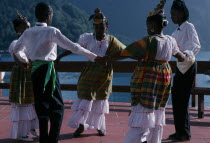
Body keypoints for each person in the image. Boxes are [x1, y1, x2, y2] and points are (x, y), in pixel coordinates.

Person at [13, 2, 103, 143]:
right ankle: (52, 140)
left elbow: (16, 50)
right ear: (48, 15)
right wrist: (94, 57)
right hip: (47, 71)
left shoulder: (28, 32)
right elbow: (74, 47)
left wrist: (25, 61)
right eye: (52, 15)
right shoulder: (51, 31)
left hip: (35, 71)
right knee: (58, 107)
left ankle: (44, 139)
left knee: (41, 106)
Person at [105, 0, 187, 142]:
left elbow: (125, 52)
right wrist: (188, 56)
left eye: (147, 26)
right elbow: (181, 57)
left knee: (143, 113)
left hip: (149, 78)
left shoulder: (149, 41)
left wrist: (106, 58)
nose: (147, 28)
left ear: (153, 26)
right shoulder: (170, 41)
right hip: (164, 79)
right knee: (157, 113)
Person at [57, 8, 126, 137]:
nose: (99, 30)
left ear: (107, 27)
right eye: (97, 27)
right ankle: (81, 126)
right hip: (89, 72)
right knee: (85, 100)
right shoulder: (87, 38)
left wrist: (109, 58)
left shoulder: (111, 40)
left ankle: (100, 127)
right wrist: (60, 56)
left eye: (102, 27)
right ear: (94, 27)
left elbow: (124, 51)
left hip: (104, 73)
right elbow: (74, 47)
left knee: (100, 100)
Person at [169, 0, 201, 141]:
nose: (172, 17)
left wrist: (185, 55)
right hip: (180, 67)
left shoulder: (188, 26)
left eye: (174, 14)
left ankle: (184, 133)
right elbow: (170, 45)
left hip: (188, 66)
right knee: (177, 99)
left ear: (182, 14)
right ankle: (180, 131)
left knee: (182, 99)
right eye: (171, 14)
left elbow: (196, 45)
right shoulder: (176, 31)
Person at [9, 11, 39, 142]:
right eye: (25, 27)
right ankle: (22, 133)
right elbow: (20, 60)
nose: (29, 29)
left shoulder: (31, 42)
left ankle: (32, 127)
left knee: (33, 103)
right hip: (22, 75)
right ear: (18, 30)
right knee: (23, 103)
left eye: (29, 27)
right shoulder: (16, 43)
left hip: (30, 74)